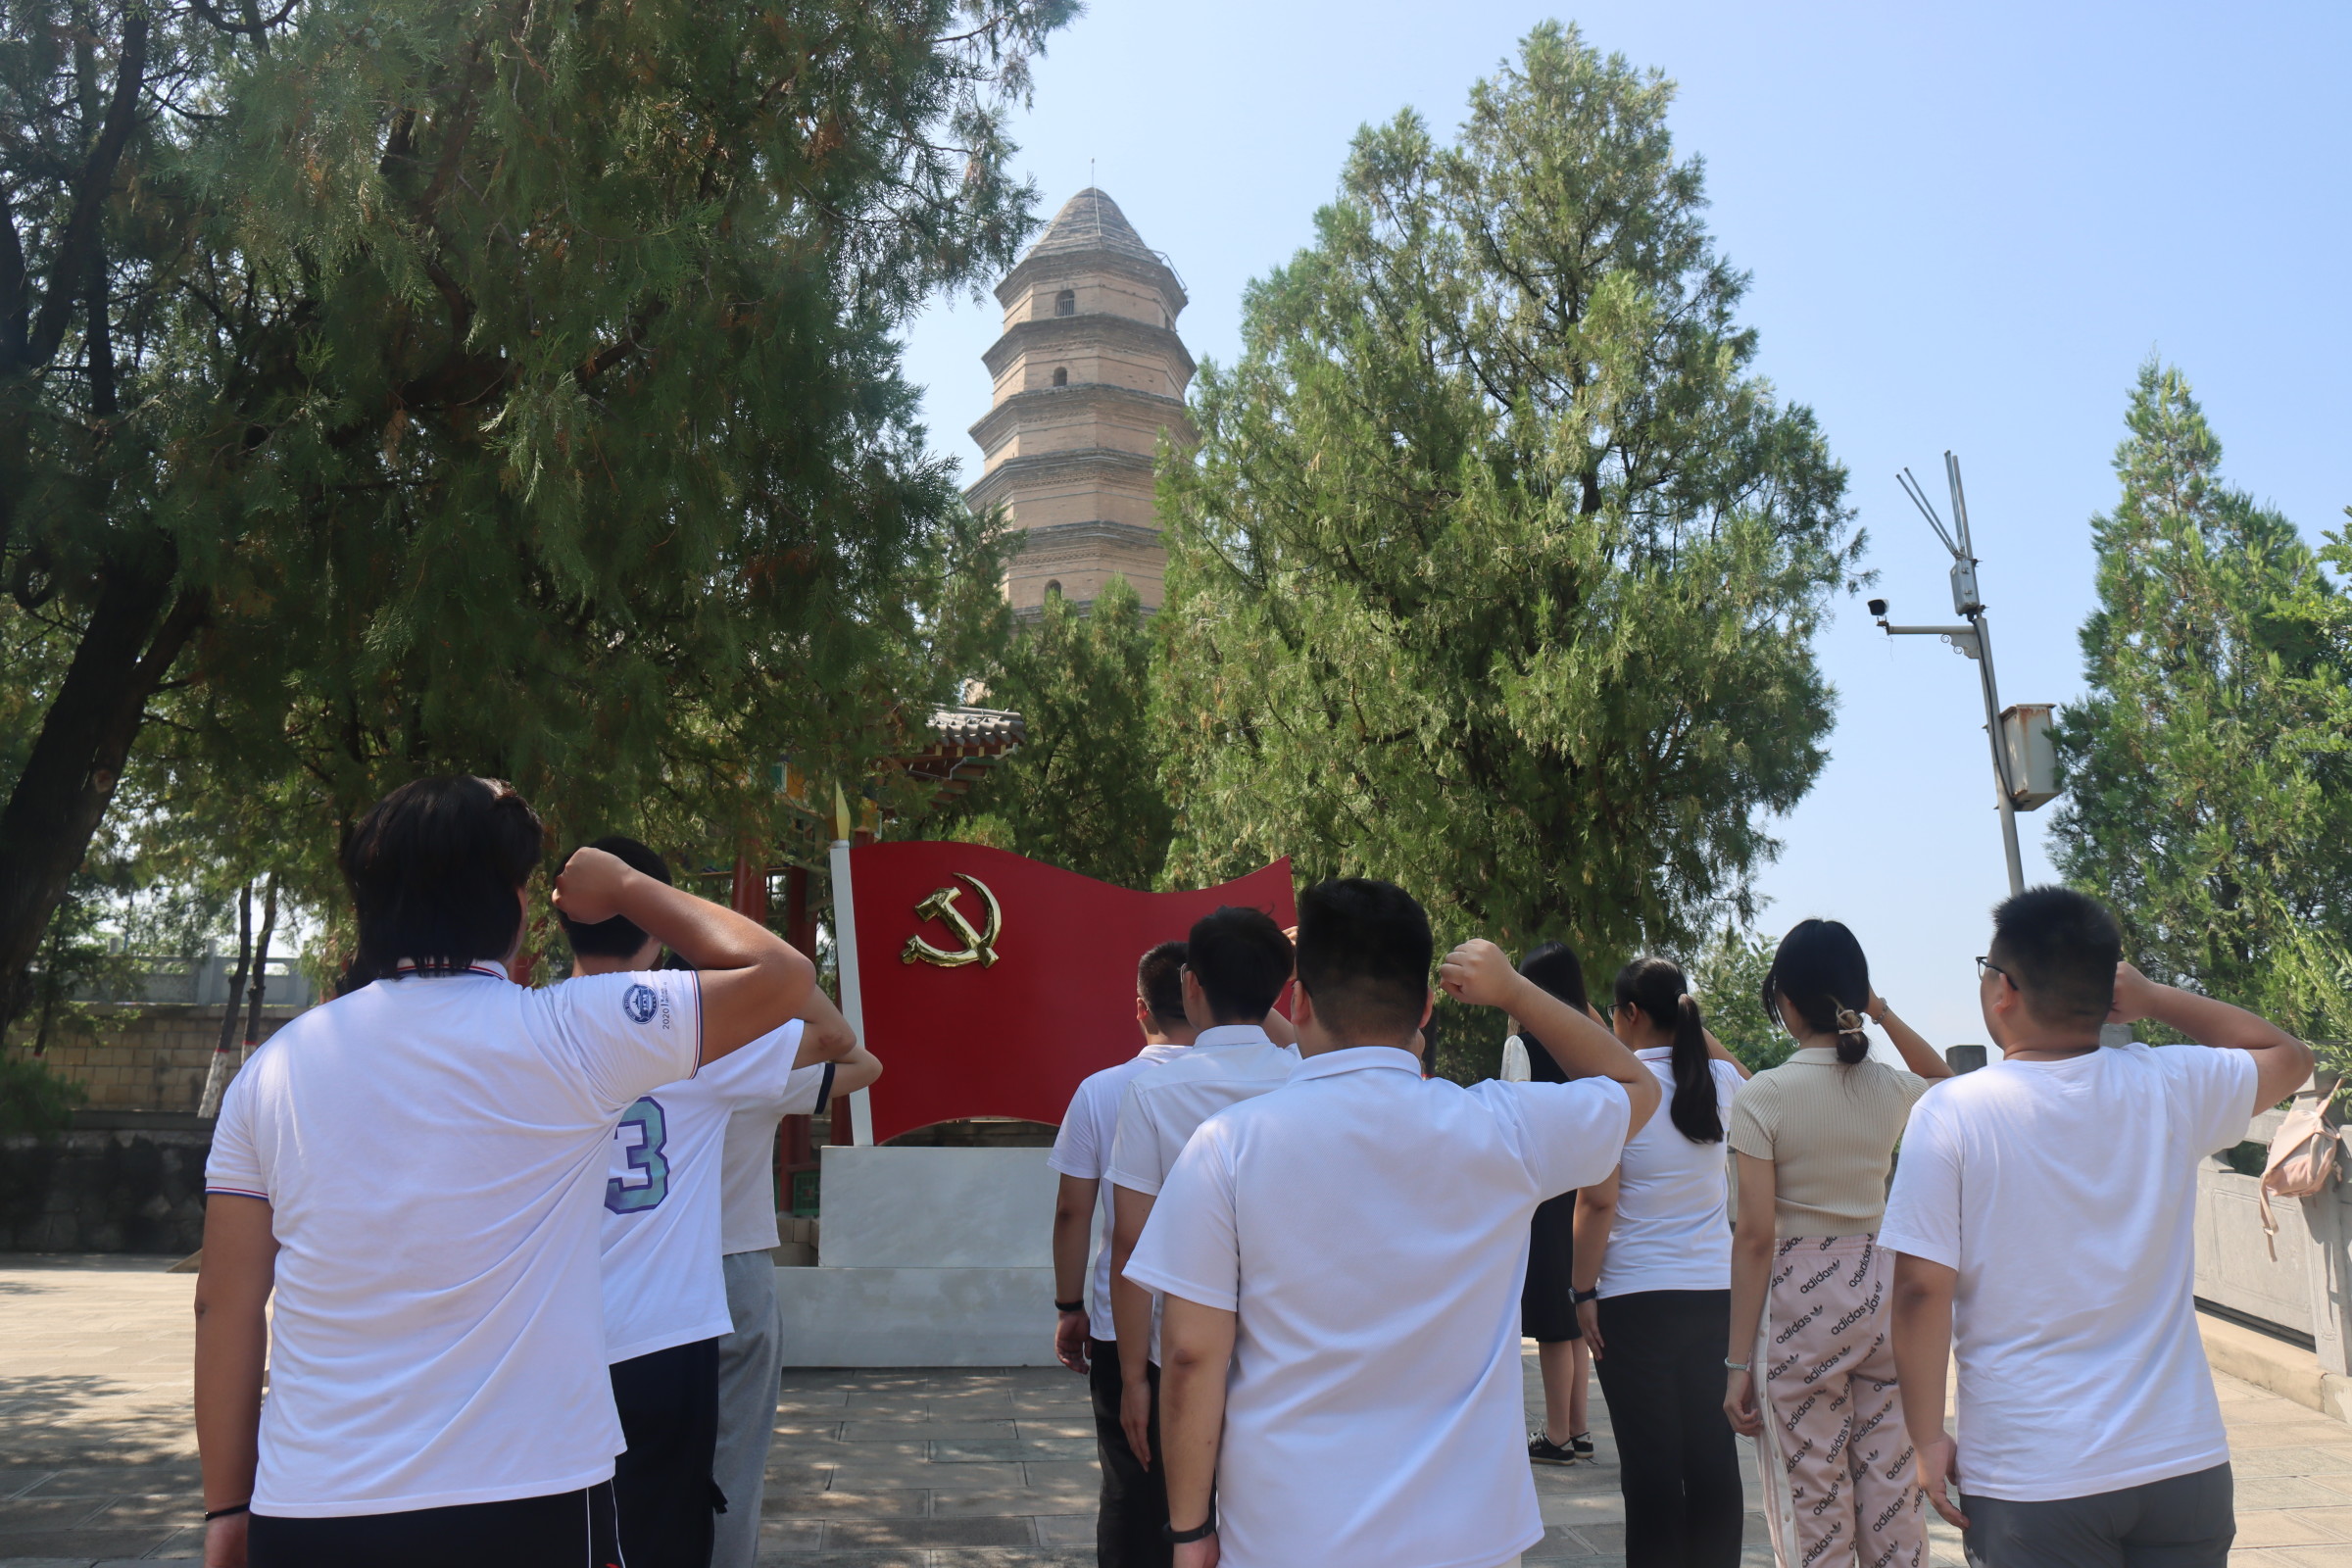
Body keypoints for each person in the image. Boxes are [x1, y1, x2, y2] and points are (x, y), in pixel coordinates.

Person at [194, 776, 814, 1568]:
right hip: (531, 1495)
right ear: (518, 908)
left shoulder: (273, 1072)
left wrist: (228, 1507)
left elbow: (224, 1304)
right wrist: (630, 887)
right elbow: (784, 977)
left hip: (315, 1501)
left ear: (368, 905)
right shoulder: (571, 1034)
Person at [1123, 879, 1659, 1568]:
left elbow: (1191, 1354)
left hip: (1286, 1532)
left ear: (1298, 1001)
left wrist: (1190, 1530)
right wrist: (1515, 994)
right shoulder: (1503, 1130)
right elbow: (1637, 1087)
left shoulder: (1227, 1145)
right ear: (1427, 1007)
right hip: (1467, 1537)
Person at [1883, 887, 2311, 1568]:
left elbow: (1919, 1291)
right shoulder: (2170, 1084)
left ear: (2004, 991)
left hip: (2035, 1477)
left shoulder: (1952, 1113)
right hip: (2182, 1462)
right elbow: (2289, 1056)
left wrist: (1928, 1437)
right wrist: (2156, 999)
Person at [562, 836, 881, 1568]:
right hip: (695, 1291)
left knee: (574, 1499)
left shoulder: (528, 1023)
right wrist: (696, 929)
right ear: (655, 924)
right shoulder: (702, 1038)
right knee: (716, 1481)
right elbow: (845, 1045)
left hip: (569, 1294)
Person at [1720, 919, 1950, 1568]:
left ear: (1785, 1000)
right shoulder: (1889, 1088)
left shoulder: (1763, 1096)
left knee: (1813, 1502)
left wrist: (1737, 1365)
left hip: (1801, 1304)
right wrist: (1880, 1010)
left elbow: (1754, 1237)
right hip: (1881, 1291)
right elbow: (1946, 1083)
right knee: (1892, 1496)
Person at [1104, 906, 1298, 1495]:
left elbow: (1130, 1242)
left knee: (1184, 1518)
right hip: (1289, 1349)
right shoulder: (1303, 1077)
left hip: (1181, 1351)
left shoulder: (1152, 1092)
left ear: (1191, 984)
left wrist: (1133, 1378)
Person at [1572, 956, 1749, 1568]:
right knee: (1711, 1456)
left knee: (1650, 1466)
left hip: (1634, 1298)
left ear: (1629, 1014)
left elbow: (1598, 1202)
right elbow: (1756, 1084)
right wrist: (1689, 1025)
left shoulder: (1616, 1092)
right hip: (1714, 1293)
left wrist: (1582, 1291)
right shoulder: (1721, 1082)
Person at [1049, 941, 1199, 1567]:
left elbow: (1073, 1211)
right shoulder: (1253, 1083)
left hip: (1122, 1322)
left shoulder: (1101, 1090)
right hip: (1218, 1320)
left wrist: (1069, 1306)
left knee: (1130, 1483)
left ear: (1141, 1007)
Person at [1511, 941, 1603, 1467]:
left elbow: (1514, 1113)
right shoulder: (1590, 1044)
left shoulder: (1526, 1044)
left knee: (1551, 1320)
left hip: (1543, 1189)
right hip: (1584, 1182)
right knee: (1570, 1316)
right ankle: (1579, 1427)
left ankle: (1556, 1434)